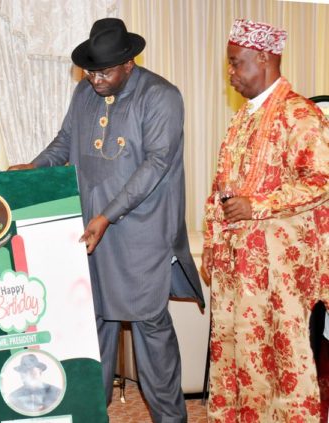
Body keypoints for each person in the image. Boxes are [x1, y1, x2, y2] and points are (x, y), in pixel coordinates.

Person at [10, 18, 204, 422]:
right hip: (90, 232)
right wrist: (34, 167)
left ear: (129, 64)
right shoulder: (85, 91)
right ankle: (90, 415)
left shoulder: (161, 97)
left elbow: (156, 165)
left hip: (141, 237)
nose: (95, 79)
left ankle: (170, 419)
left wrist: (107, 216)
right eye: (89, 70)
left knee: (152, 335)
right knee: (90, 332)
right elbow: (65, 141)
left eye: (104, 71)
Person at [201, 19, 329, 422]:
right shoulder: (243, 118)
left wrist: (258, 204)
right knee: (238, 358)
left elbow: (322, 179)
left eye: (237, 64)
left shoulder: (300, 114)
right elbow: (223, 187)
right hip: (238, 269)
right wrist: (212, 246)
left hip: (278, 272)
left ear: (265, 58)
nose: (232, 74)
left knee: (279, 361)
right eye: (230, 65)